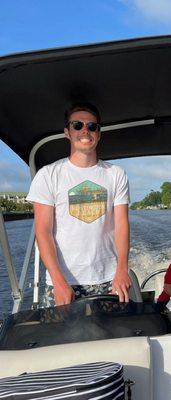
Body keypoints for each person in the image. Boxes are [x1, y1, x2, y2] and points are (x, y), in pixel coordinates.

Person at [27, 102, 131, 307]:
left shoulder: (116, 174)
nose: (85, 130)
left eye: (92, 126)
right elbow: (43, 232)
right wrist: (58, 282)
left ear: (99, 134)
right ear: (67, 132)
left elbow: (121, 226)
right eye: (77, 125)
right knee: (63, 339)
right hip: (64, 282)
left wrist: (122, 270)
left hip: (108, 279)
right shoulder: (48, 175)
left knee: (111, 338)